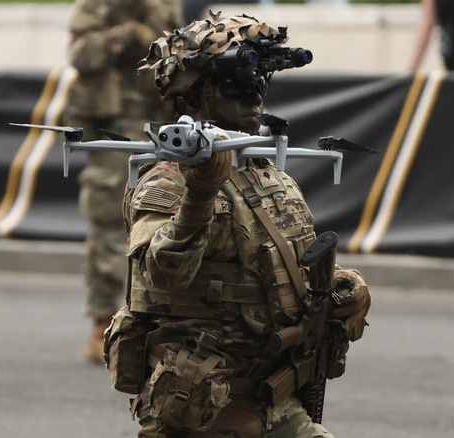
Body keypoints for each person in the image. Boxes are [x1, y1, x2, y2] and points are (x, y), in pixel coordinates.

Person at [106, 14, 372, 437]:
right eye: (235, 85)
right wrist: (199, 194)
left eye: (259, 83)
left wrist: (340, 286)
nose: (253, 98)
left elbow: (276, 267)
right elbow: (160, 273)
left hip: (277, 402)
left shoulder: (268, 174)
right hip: (203, 411)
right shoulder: (167, 180)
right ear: (192, 98)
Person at [62, 0, 182, 363]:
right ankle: (102, 324)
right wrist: (126, 34)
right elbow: (80, 55)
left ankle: (151, 324)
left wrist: (153, 29)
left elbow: (181, 58)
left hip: (159, 127)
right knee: (108, 225)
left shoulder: (162, 6)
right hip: (114, 129)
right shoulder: (98, 6)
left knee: (163, 223)